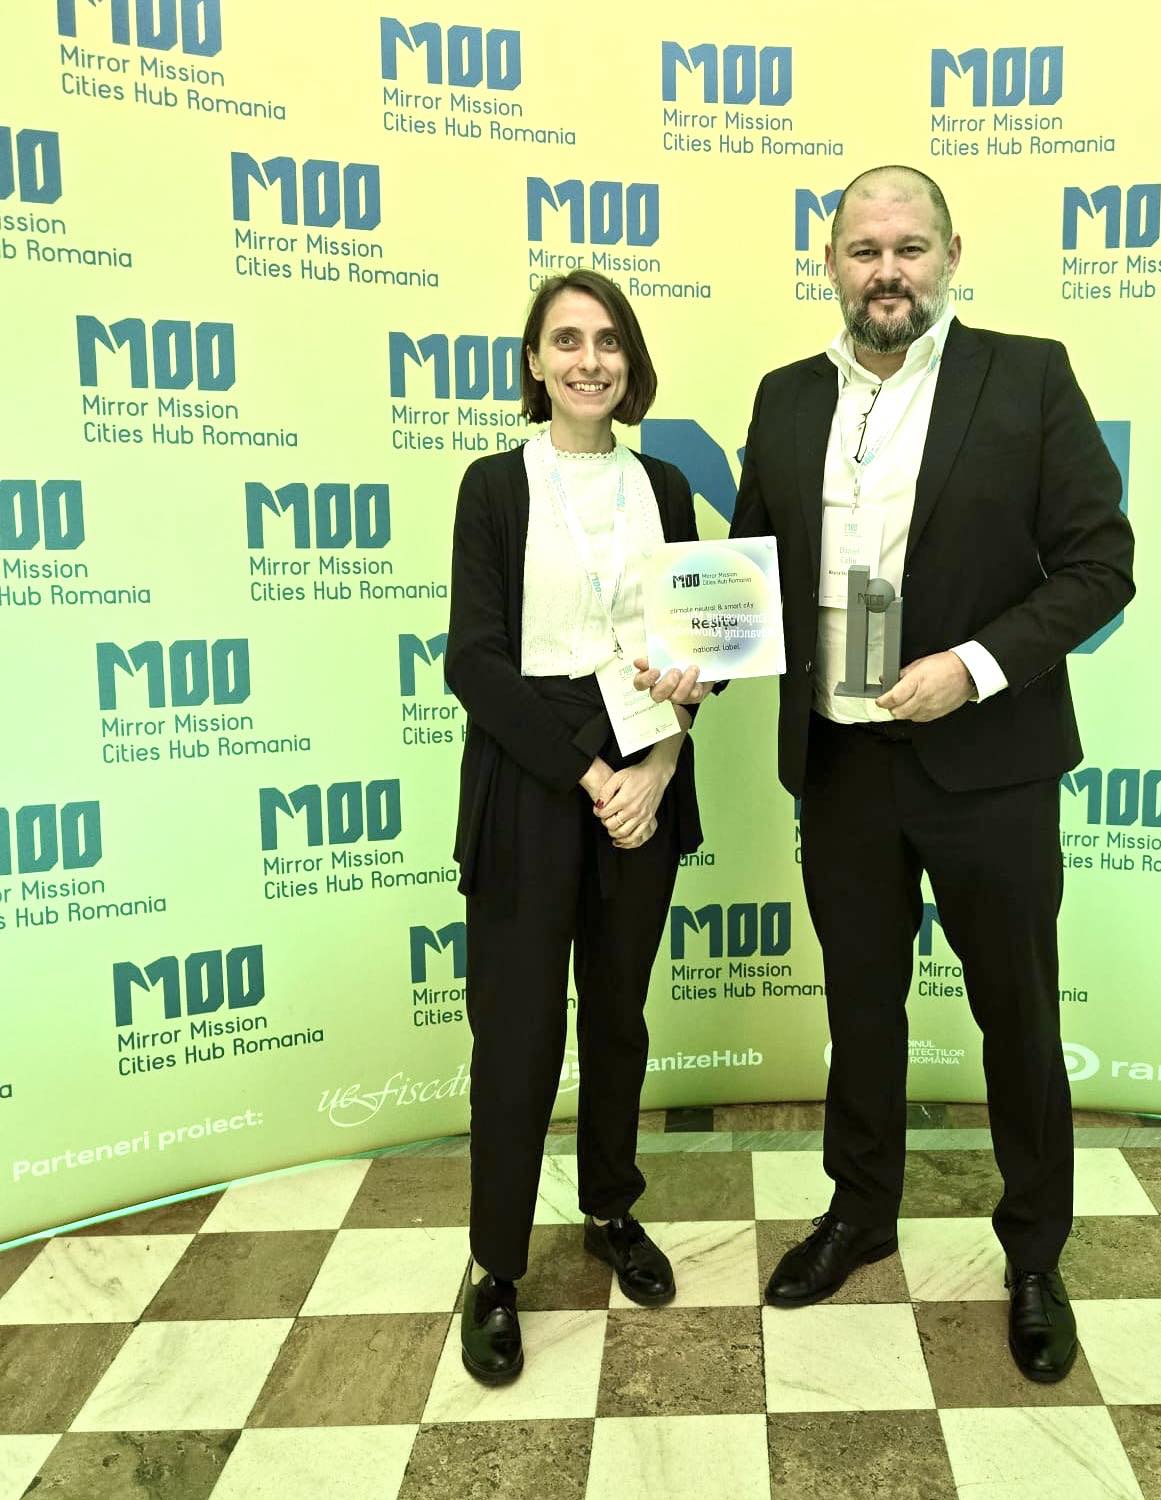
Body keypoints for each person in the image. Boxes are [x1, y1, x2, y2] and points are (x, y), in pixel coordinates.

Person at [646, 165, 1134, 1383]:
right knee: (861, 1009)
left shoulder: (1028, 376)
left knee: (1017, 1014)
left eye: (910, 247)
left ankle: (1035, 1256)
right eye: (865, 250)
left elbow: (1099, 565)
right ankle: (861, 1213)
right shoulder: (787, 395)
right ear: (831, 262)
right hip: (842, 766)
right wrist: (695, 665)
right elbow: (755, 576)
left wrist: (974, 667)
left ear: (951, 255)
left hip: (989, 766)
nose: (888, 271)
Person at [444, 270, 704, 1384]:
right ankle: (496, 1267)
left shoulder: (669, 487)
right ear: (535, 364)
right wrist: (594, 773)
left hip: (647, 766)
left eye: (607, 341)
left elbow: (702, 651)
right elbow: (474, 662)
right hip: (531, 775)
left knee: (618, 1016)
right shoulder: (493, 486)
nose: (588, 360)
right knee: (515, 1036)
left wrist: (661, 762)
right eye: (566, 340)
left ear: (628, 360)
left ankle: (610, 1210)